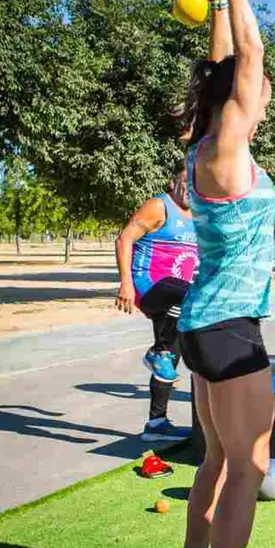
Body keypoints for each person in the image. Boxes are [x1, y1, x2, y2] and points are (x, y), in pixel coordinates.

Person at [170, 0, 275, 548]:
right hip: (229, 328)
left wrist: (214, 4)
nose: (263, 93)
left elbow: (222, 66)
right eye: (257, 87)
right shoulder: (228, 146)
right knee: (249, 466)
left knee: (218, 457)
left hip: (204, 325)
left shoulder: (207, 145)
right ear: (237, 97)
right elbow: (249, 52)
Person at [115, 166, 198, 442]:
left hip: (176, 295)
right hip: (148, 285)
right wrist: (126, 282)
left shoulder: (200, 214)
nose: (190, 187)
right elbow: (125, 238)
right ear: (173, 182)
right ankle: (158, 350)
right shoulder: (159, 207)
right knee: (188, 297)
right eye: (186, 181)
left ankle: (156, 423)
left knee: (169, 359)